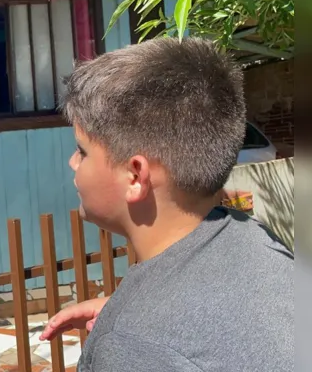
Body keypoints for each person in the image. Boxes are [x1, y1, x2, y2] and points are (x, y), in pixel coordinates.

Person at [39, 38, 293, 371]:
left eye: (83, 151)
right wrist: (136, 308)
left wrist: (137, 332)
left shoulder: (134, 347)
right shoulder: (258, 240)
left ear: (135, 176)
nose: (73, 162)